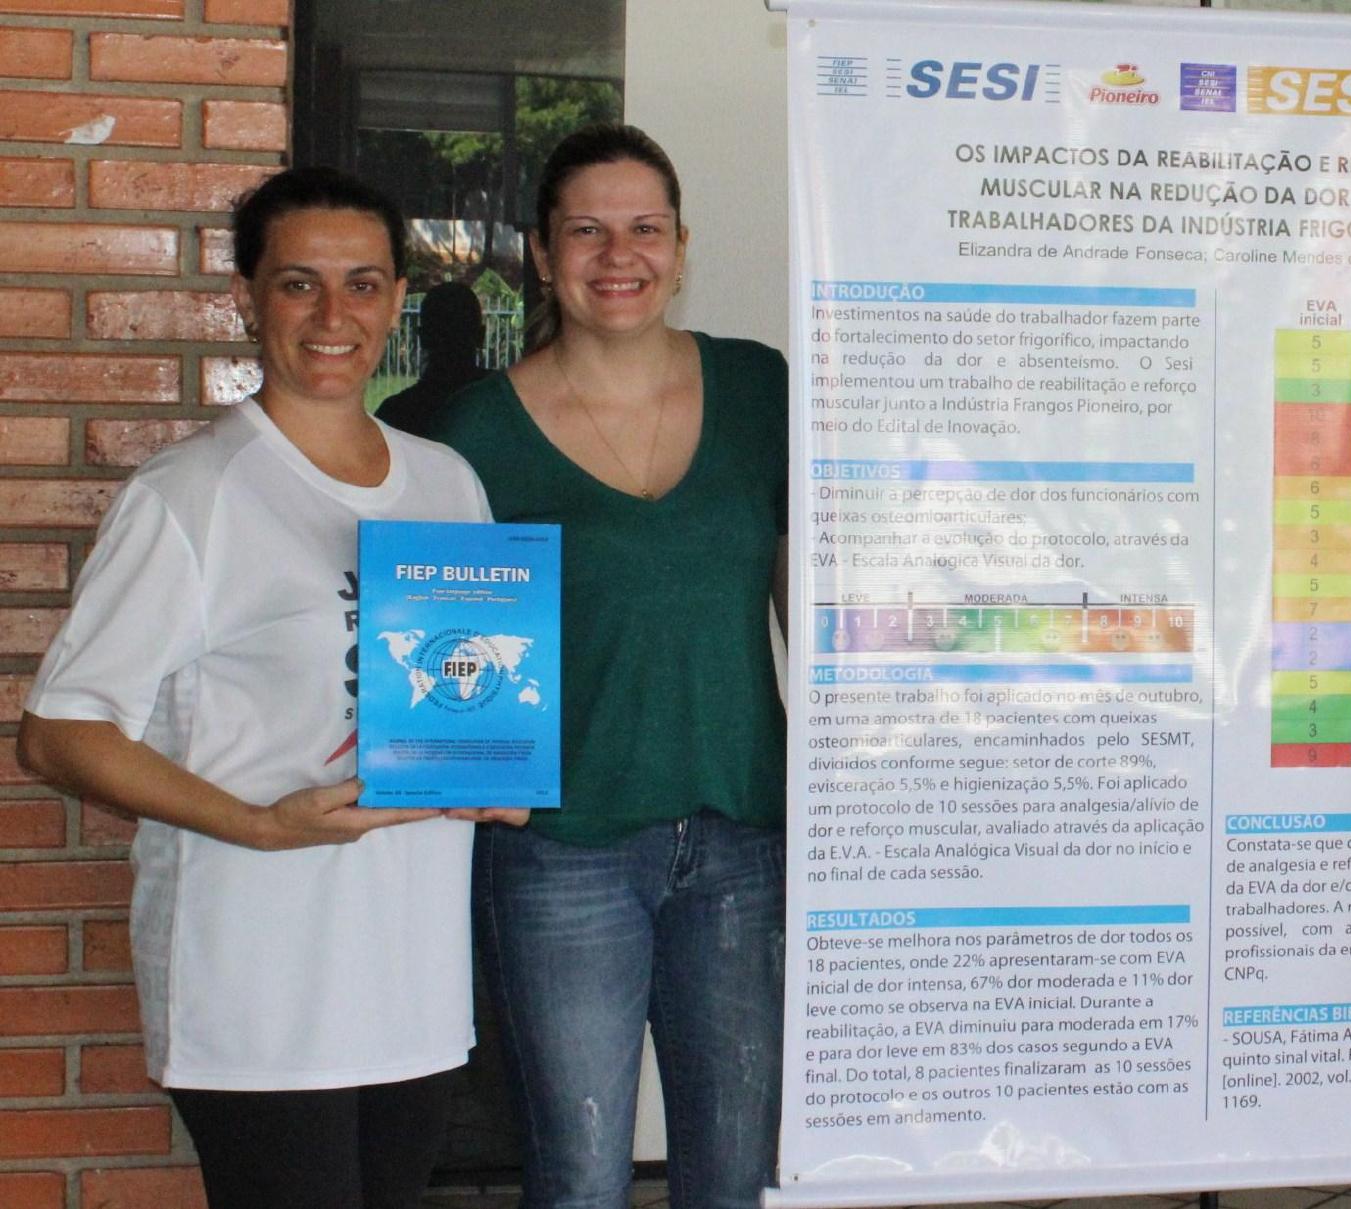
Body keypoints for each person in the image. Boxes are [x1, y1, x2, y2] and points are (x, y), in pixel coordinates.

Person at [15, 166, 523, 1209]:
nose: (334, 315)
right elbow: (60, 732)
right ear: (247, 297)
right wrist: (259, 824)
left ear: (398, 297)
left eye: (363, 283)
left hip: (413, 984)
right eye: (299, 283)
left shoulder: (447, 482)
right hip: (259, 986)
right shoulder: (190, 494)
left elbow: (464, 688)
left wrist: (497, 769)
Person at [399, 124, 788, 1209]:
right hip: (561, 850)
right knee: (576, 1176)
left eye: (645, 228)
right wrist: (453, 764)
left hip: (742, 835)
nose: (619, 256)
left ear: (681, 245)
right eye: (586, 231)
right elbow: (441, 650)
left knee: (734, 1174)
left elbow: (808, 607)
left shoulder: (760, 389)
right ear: (542, 251)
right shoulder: (475, 431)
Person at [376, 280, 491, 432]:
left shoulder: (395, 415)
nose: (451, 340)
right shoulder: (506, 401)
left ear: (423, 337)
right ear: (480, 336)